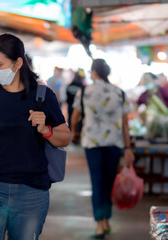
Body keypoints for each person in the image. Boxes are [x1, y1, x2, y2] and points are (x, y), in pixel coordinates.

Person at [0, 33, 71, 240]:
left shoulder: (43, 96)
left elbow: (65, 138)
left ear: (18, 63)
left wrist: (46, 130)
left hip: (32, 192)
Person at [70, 59, 135, 239]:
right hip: (114, 143)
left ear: (93, 72)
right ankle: (106, 220)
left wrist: (74, 131)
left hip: (93, 143)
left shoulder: (85, 91)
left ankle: (100, 224)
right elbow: (125, 124)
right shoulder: (119, 93)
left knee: (97, 183)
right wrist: (128, 147)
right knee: (108, 183)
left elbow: (75, 116)